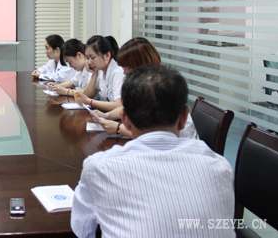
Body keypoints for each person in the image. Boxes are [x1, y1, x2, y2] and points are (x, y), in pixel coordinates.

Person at [71, 65, 234, 238]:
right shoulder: (220, 166)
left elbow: (82, 230)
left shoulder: (100, 167)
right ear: (184, 117)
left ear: (125, 119)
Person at [85, 37, 198, 139]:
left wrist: (119, 128)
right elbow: (128, 109)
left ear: (140, 67)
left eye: (128, 69)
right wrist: (107, 115)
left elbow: (153, 135)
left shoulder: (158, 90)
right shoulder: (144, 87)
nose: (124, 74)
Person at [74, 36, 124, 112]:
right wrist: (94, 74)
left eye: (92, 58)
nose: (89, 62)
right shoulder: (101, 71)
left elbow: (119, 105)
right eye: (87, 58)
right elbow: (88, 95)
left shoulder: (118, 72)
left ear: (107, 56)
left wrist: (90, 102)